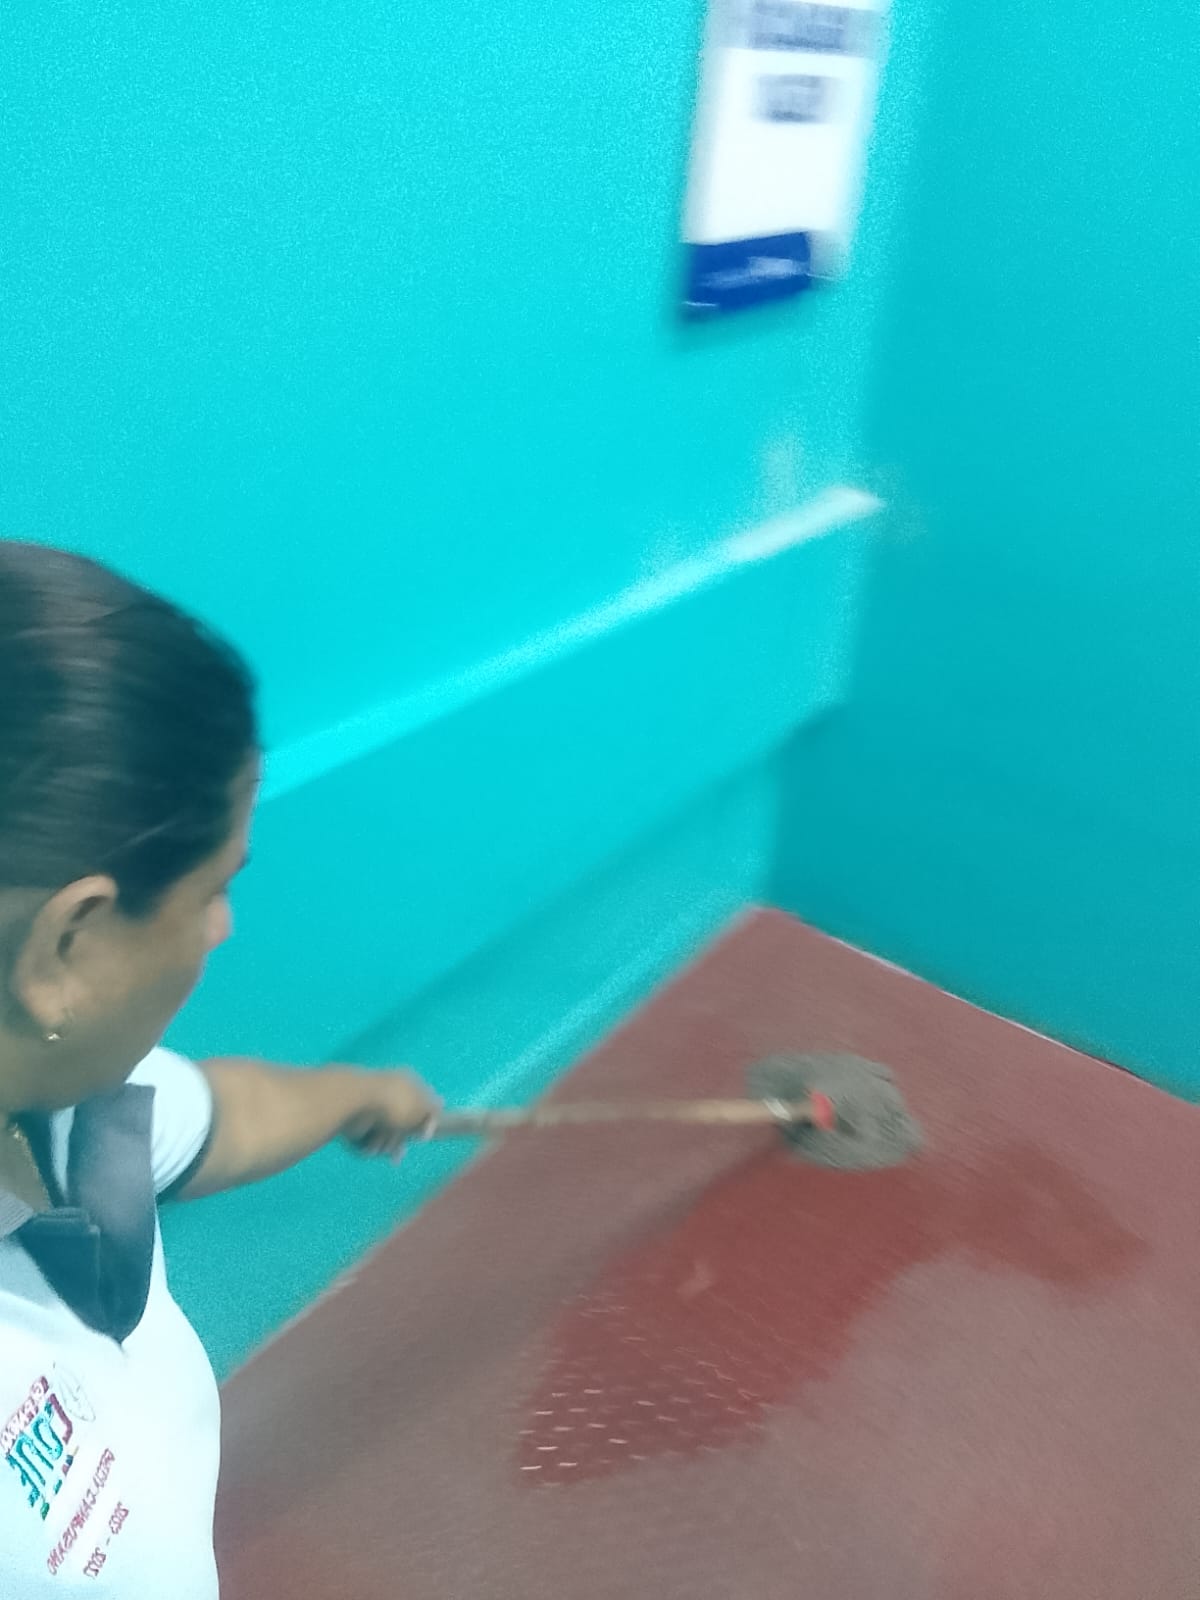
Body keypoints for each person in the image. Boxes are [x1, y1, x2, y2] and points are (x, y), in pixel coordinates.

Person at [0, 540, 438, 1597]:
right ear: (68, 947)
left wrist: (361, 1095)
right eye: (211, 890)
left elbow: (218, 1115)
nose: (222, 927)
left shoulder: (63, 1108)